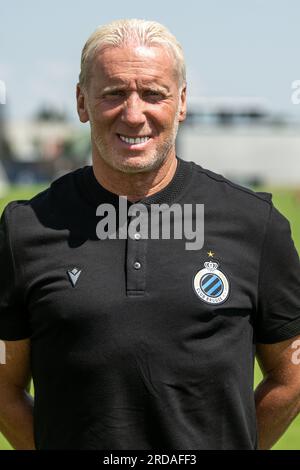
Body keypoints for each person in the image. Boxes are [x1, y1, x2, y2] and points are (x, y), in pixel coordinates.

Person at [0, 18, 300, 451]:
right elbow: (5, 388)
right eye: (114, 94)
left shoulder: (255, 223)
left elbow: (290, 376)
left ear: (181, 102)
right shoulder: (24, 229)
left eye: (153, 94)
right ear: (82, 102)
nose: (134, 113)